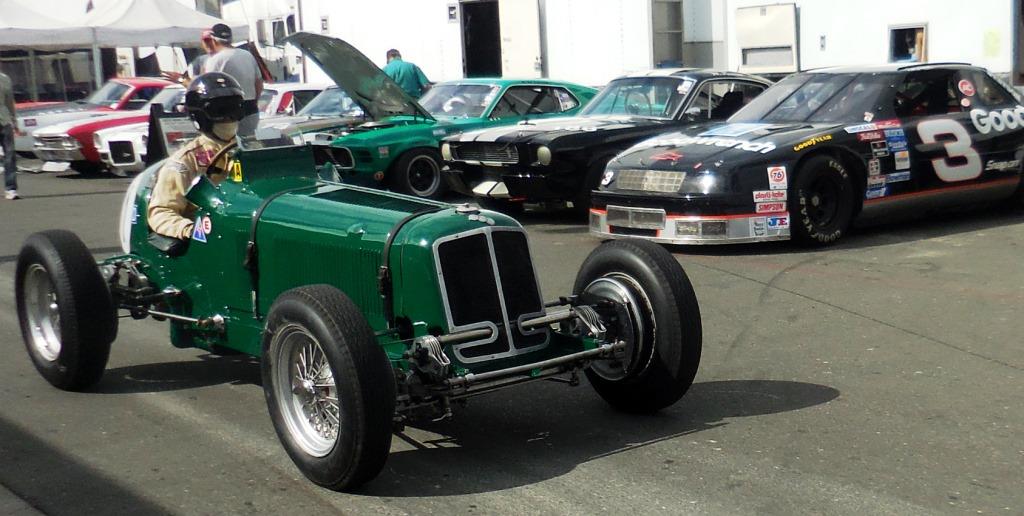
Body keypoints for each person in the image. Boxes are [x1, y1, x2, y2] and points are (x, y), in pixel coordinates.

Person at [148, 72, 243, 240]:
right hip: (210, 239)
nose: (229, 117)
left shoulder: (250, 149)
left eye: (234, 109)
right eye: (220, 110)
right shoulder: (184, 161)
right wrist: (193, 231)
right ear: (199, 115)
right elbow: (160, 212)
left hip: (240, 225)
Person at [202, 23, 263, 137]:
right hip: (250, 106)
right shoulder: (247, 55)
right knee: (248, 144)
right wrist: (254, 102)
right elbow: (258, 83)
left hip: (227, 110)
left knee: (227, 147)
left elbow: (207, 88)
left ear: (214, 40)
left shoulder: (214, 60)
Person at [0, 70, 18, 200]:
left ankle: (10, 188)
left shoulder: (5, 78)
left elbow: (9, 101)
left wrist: (14, 120)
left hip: (4, 120)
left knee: (10, 155)